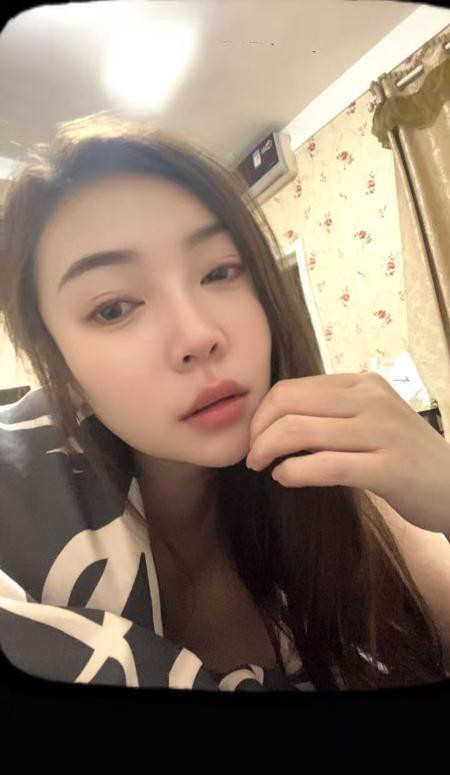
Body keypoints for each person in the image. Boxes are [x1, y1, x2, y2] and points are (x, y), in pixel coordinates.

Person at [0, 111, 449, 692]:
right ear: (62, 370)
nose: (198, 335)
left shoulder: (341, 491)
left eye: (220, 272)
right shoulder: (20, 516)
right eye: (113, 308)